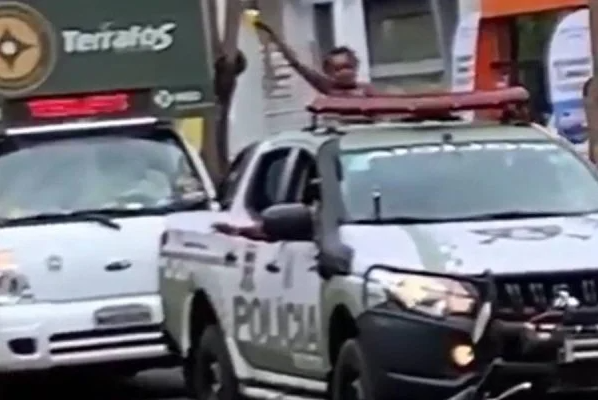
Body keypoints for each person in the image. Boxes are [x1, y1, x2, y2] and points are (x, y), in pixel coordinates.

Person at [254, 21, 379, 96]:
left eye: (348, 67)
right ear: (328, 72)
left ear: (356, 66)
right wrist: (275, 38)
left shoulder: (367, 90)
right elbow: (297, 65)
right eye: (338, 69)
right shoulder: (328, 87)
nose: (344, 72)